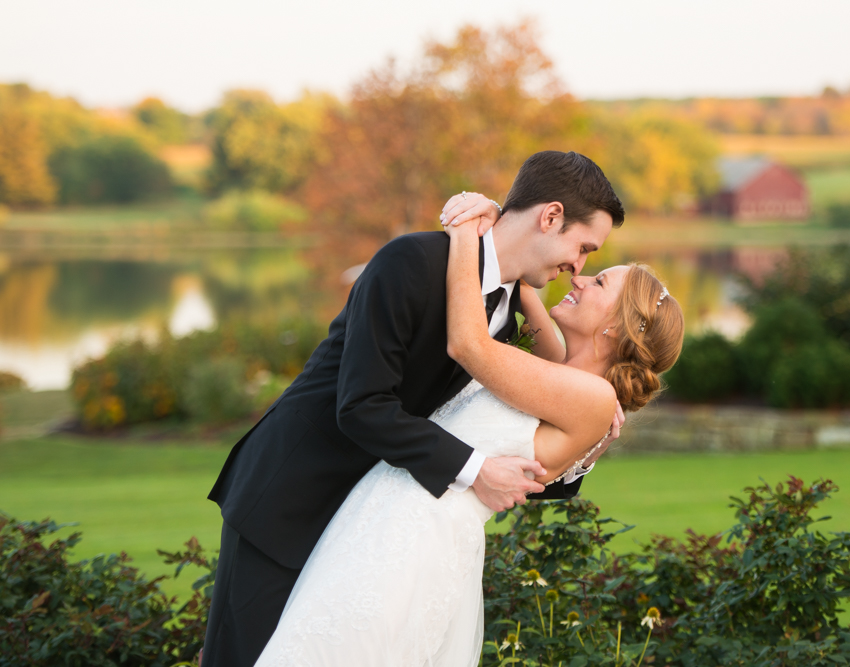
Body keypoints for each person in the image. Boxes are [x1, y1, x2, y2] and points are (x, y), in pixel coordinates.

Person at [202, 151, 627, 667]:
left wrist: (591, 434)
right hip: (292, 496)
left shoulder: (511, 307)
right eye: (583, 247)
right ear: (551, 216)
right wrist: (475, 471)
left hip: (370, 524)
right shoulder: (411, 262)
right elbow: (361, 406)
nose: (579, 267)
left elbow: (520, 441)